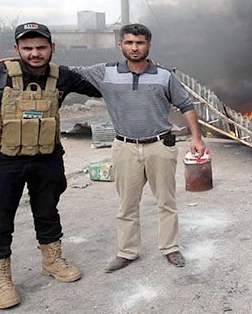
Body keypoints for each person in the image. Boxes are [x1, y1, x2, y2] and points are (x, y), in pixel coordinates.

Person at [0, 22, 101, 309]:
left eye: (41, 47)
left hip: (47, 157)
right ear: (16, 49)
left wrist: (139, 69)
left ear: (52, 48)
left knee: (47, 210)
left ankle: (52, 260)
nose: (34, 53)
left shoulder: (63, 76)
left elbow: (103, 86)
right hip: (2, 160)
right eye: (27, 48)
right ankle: (0, 278)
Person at [70, 23, 206, 272]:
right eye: (129, 42)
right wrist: (17, 63)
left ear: (148, 45)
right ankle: (127, 252)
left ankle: (170, 248)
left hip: (159, 145)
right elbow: (67, 72)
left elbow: (186, 105)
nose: (134, 48)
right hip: (125, 147)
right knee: (127, 204)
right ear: (120, 45)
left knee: (166, 201)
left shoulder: (164, 75)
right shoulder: (105, 72)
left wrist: (197, 138)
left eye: (140, 43)